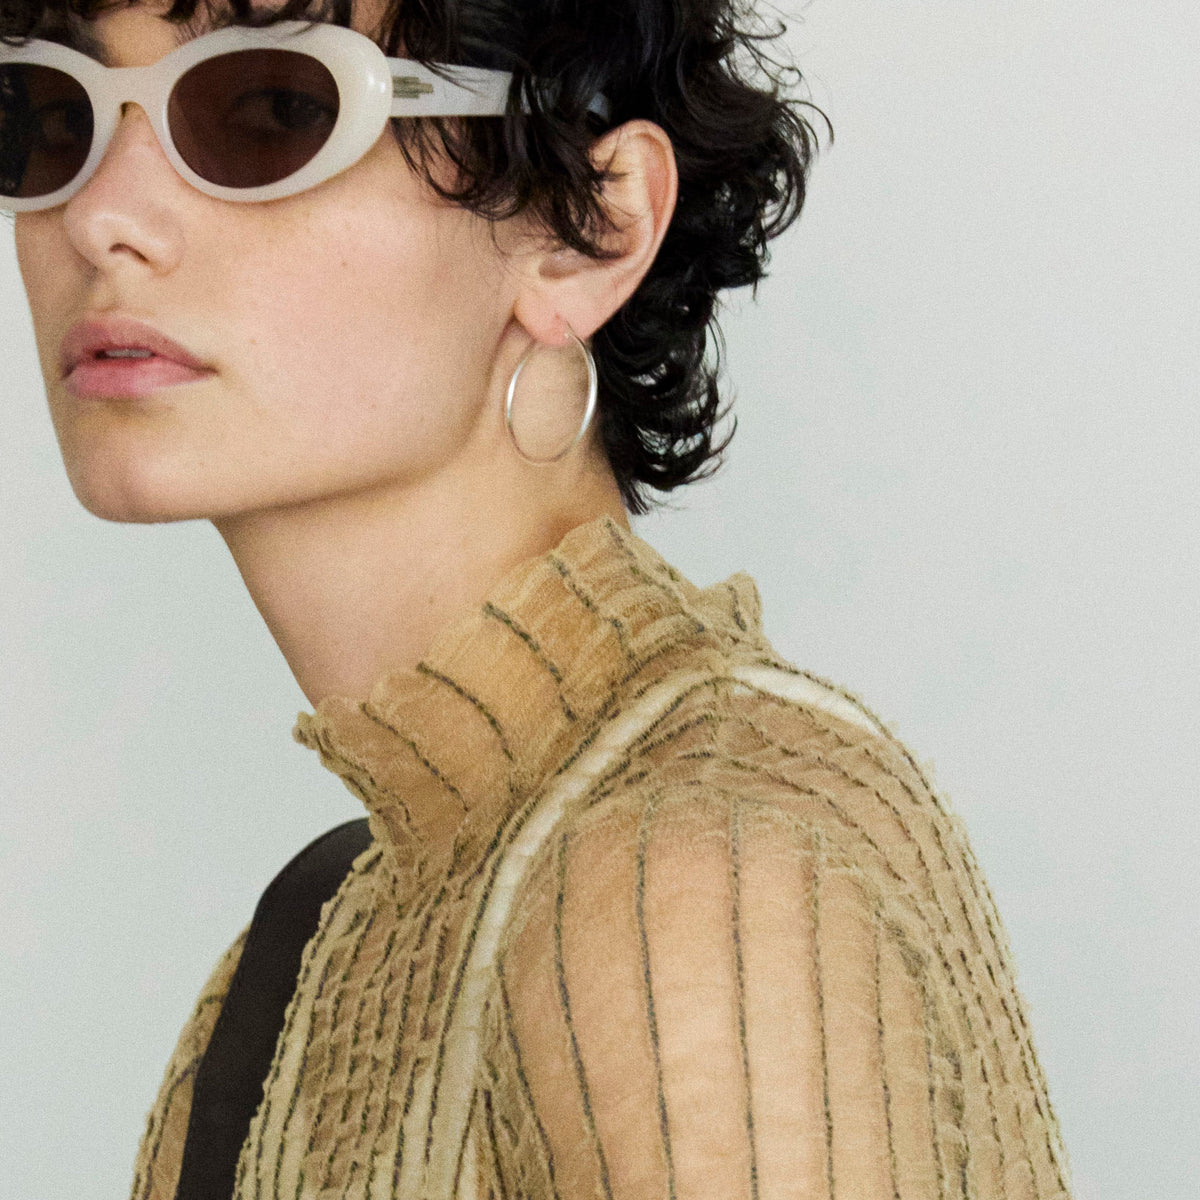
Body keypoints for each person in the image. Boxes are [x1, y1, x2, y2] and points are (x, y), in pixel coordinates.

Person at [2, 0, 1076, 1195]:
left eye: (272, 111)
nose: (99, 215)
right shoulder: (302, 957)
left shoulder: (697, 878)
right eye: (51, 118)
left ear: (589, 229)